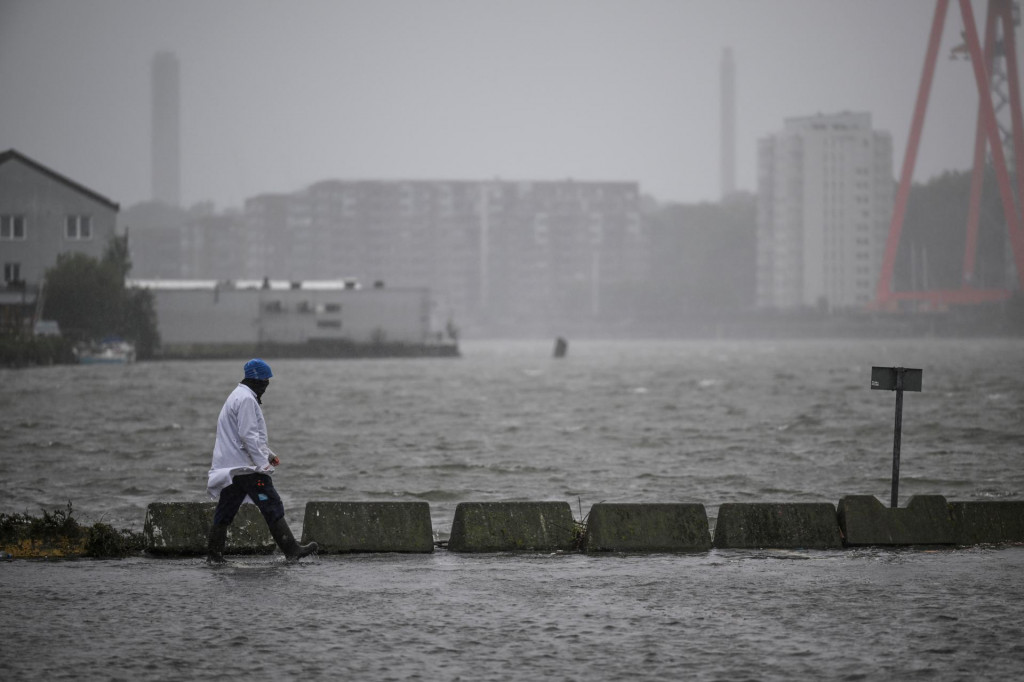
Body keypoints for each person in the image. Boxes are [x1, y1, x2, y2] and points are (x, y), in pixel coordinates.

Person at [205, 358, 318, 563]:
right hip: (248, 469)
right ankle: (292, 550)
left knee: (225, 511)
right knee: (271, 504)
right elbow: (248, 435)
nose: (267, 386)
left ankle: (214, 556)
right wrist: (262, 465)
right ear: (257, 380)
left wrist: (268, 454)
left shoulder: (236, 396)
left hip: (233, 469)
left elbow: (247, 436)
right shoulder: (247, 399)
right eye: (266, 381)